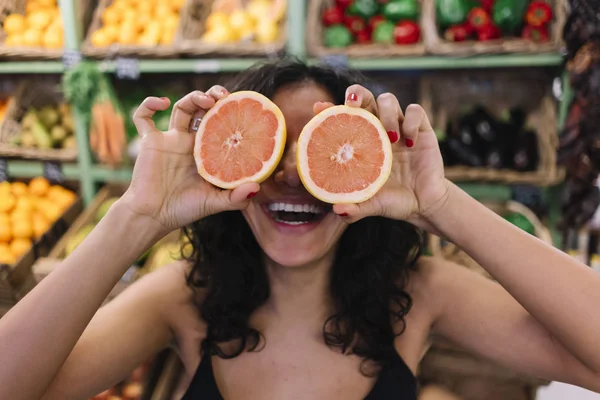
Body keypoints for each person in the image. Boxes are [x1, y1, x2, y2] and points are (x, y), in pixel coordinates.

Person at [1, 59, 599, 400]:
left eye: (318, 148)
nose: (291, 175)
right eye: (270, 147)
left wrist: (441, 203)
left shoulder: (421, 294)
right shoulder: (183, 299)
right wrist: (136, 215)